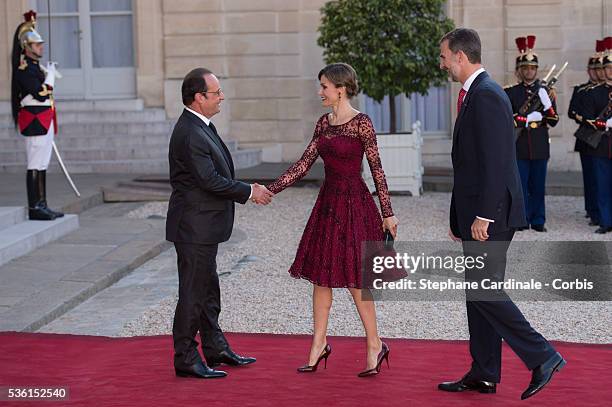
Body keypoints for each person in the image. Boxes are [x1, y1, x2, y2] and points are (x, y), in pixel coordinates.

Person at [438, 28, 565, 400]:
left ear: (461, 56)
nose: (442, 63)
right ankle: (484, 372)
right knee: (477, 292)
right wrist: (458, 217)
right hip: (478, 212)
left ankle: (543, 356)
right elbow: (469, 165)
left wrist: (483, 216)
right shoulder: (478, 94)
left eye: (444, 56)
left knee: (484, 289)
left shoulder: (488, 95)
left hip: (491, 215)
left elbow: (497, 162)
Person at [266, 63, 400, 377]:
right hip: (328, 206)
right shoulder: (323, 124)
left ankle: (374, 344)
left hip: (355, 204)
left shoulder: (362, 124)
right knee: (322, 278)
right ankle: (318, 344)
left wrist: (388, 212)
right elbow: (303, 164)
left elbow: (377, 169)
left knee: (356, 280)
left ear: (340, 88)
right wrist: (269, 189)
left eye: (324, 86)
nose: (320, 92)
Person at [166, 67, 274, 379]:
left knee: (208, 289)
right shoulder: (189, 132)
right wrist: (250, 192)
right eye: (216, 93)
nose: (221, 97)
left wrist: (245, 189)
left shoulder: (200, 125)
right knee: (193, 293)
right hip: (193, 226)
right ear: (198, 98)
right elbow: (209, 180)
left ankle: (215, 347)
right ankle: (185, 356)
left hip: (202, 226)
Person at [11, 10, 63, 221]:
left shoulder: (35, 67)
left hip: (44, 120)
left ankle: (42, 203)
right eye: (37, 44)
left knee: (42, 163)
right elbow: (41, 94)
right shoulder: (24, 69)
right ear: (27, 47)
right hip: (34, 121)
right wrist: (50, 76)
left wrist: (46, 73)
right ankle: (34, 206)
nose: (41, 47)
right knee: (34, 163)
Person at [504, 35, 559, 233]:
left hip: (539, 145)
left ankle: (538, 220)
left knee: (538, 186)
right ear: (519, 70)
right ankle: (521, 219)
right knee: (520, 187)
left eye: (532, 67)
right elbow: (505, 119)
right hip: (518, 146)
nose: (529, 71)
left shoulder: (546, 92)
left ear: (537, 69)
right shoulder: (509, 92)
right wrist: (524, 119)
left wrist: (547, 106)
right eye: (525, 67)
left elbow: (553, 121)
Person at [568, 40, 604, 226]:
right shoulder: (582, 90)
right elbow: (573, 112)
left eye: (599, 69)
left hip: (604, 140)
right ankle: (593, 210)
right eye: (594, 69)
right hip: (587, 139)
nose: (597, 73)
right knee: (591, 179)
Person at [581, 37, 612, 234]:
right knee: (602, 185)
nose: (608, 71)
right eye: (606, 68)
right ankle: (606, 220)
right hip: (601, 144)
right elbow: (589, 119)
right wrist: (605, 123)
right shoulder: (595, 92)